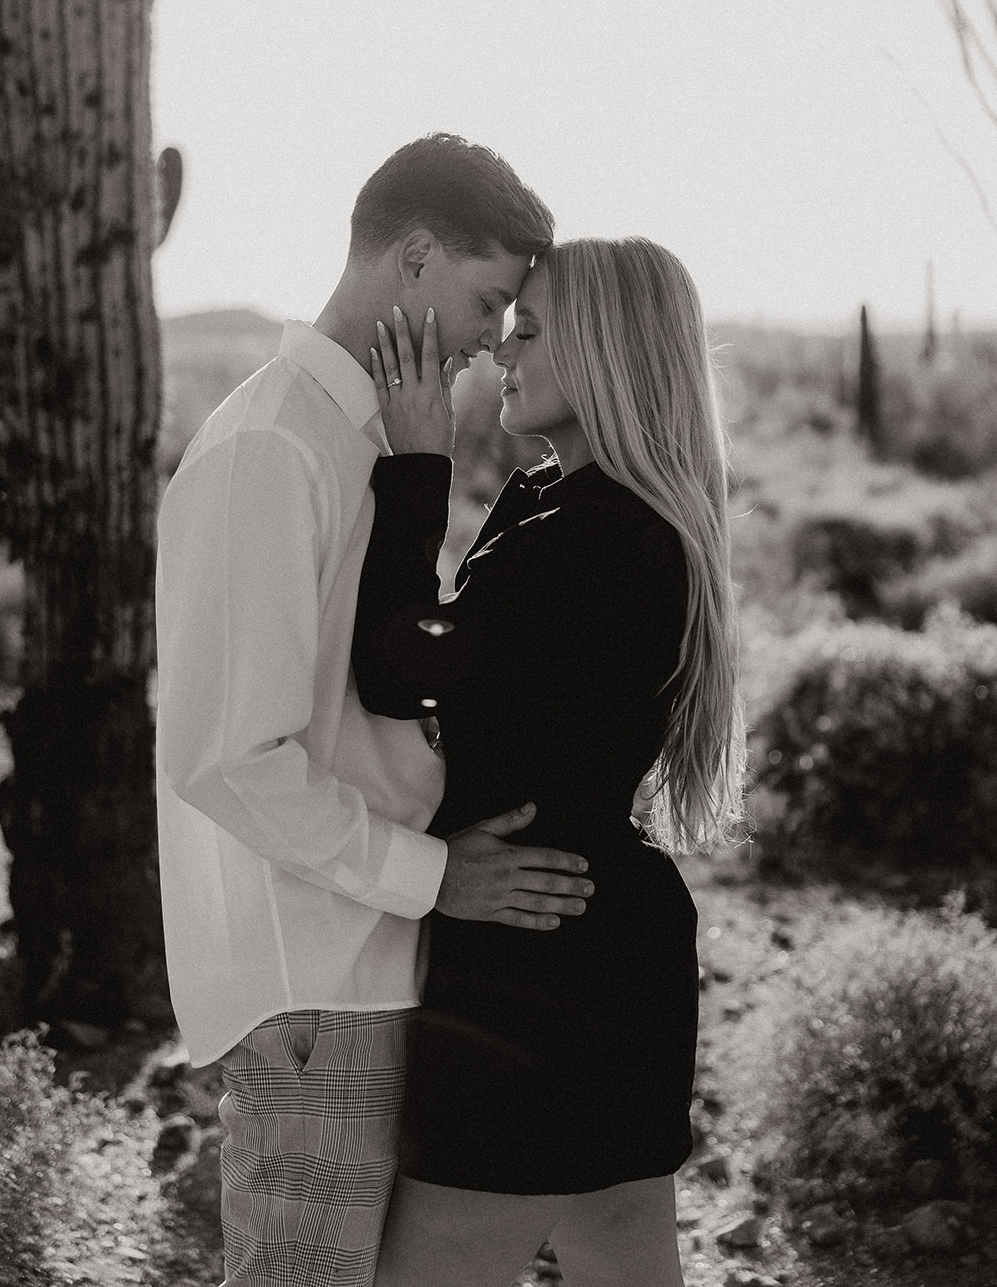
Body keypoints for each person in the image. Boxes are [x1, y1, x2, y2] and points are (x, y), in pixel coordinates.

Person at [154, 134, 597, 1287]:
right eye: (488, 297)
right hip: (318, 976)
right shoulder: (269, 446)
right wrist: (434, 876)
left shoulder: (361, 440)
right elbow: (227, 757)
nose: (495, 337)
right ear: (411, 258)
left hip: (368, 957)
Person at [352, 236, 747, 1287]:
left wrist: (416, 461)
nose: (500, 353)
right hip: (591, 941)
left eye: (528, 331)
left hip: (536, 960)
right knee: (622, 1255)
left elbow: (400, 664)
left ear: (610, 352)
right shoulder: (565, 503)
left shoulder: (602, 534)